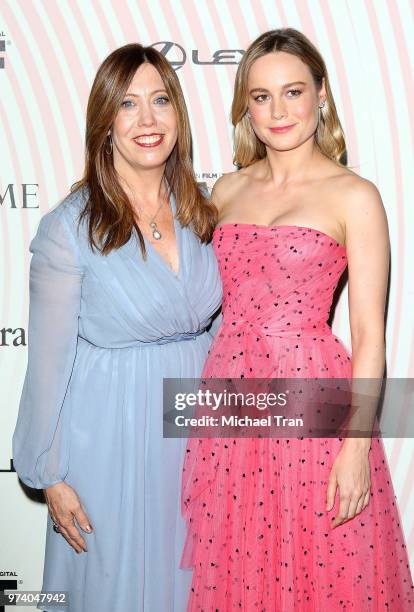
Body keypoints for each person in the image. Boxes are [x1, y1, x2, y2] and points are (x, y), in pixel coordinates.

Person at [180, 28, 414, 610]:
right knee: (237, 564)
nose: (278, 110)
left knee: (321, 565)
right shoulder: (226, 190)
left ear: (321, 96)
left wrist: (356, 447)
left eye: (292, 92)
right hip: (229, 401)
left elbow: (367, 337)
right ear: (246, 108)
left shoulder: (353, 196)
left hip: (312, 398)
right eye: (261, 97)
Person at [12, 43, 222, 612]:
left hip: (195, 435)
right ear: (105, 123)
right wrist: (51, 475)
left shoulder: (204, 210)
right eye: (128, 105)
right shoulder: (69, 228)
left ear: (179, 113)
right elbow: (48, 365)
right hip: (108, 438)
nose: (148, 120)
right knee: (111, 587)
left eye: (160, 101)